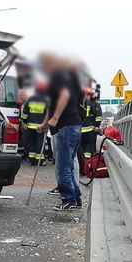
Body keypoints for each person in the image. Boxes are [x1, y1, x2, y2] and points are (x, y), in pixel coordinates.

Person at [38, 53, 83, 211]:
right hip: (71, 126)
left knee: (63, 166)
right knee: (68, 165)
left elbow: (64, 96)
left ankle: (69, 199)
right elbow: (52, 103)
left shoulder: (58, 77)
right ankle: (75, 198)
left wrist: (55, 118)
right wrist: (45, 122)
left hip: (67, 126)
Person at [20, 82, 53, 166]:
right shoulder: (46, 101)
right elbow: (49, 114)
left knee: (31, 142)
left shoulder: (29, 100)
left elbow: (24, 113)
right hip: (41, 126)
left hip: (30, 126)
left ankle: (32, 160)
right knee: (40, 143)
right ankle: (40, 161)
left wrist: (24, 122)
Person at [77, 87, 103, 175]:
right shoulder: (93, 104)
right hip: (88, 128)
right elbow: (98, 115)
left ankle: (83, 164)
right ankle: (86, 163)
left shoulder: (79, 103)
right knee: (88, 146)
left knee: (82, 147)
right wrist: (96, 125)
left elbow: (98, 116)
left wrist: (96, 125)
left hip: (82, 129)